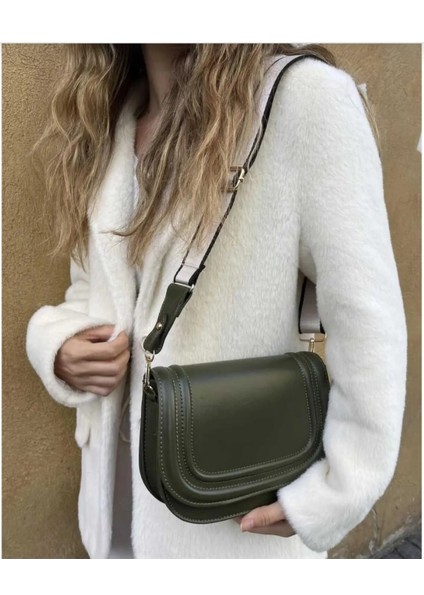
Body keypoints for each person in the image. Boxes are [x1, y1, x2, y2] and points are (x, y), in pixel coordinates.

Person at [26, 43, 408, 559]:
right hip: (114, 505)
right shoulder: (112, 123)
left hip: (229, 519)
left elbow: (368, 320)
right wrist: (59, 345)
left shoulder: (302, 99)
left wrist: (334, 493)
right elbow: (90, 290)